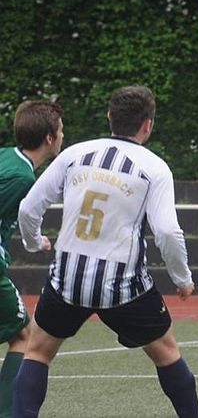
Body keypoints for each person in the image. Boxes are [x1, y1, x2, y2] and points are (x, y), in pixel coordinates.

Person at [14, 86, 198, 418]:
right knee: (167, 355)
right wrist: (182, 279)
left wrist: (34, 242)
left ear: (110, 116)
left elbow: (29, 208)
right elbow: (167, 232)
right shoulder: (154, 168)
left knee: (38, 353)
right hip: (123, 287)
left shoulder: (75, 154)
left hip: (67, 281)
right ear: (148, 125)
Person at [0, 101, 63, 418]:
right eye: (61, 130)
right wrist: (37, 241)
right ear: (49, 138)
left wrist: (36, 239)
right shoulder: (21, 178)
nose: (63, 136)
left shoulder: (6, 156)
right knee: (24, 336)